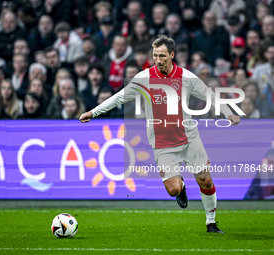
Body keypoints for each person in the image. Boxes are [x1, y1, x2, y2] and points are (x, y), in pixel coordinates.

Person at [79, 35, 240, 233]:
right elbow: (119, 97)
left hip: (189, 138)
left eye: (162, 56)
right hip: (162, 142)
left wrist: (229, 113)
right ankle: (181, 188)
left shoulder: (186, 77)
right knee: (173, 189)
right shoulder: (144, 78)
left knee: (205, 179)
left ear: (172, 55)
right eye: (155, 56)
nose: (158, 60)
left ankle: (211, 222)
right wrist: (93, 112)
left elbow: (209, 95)